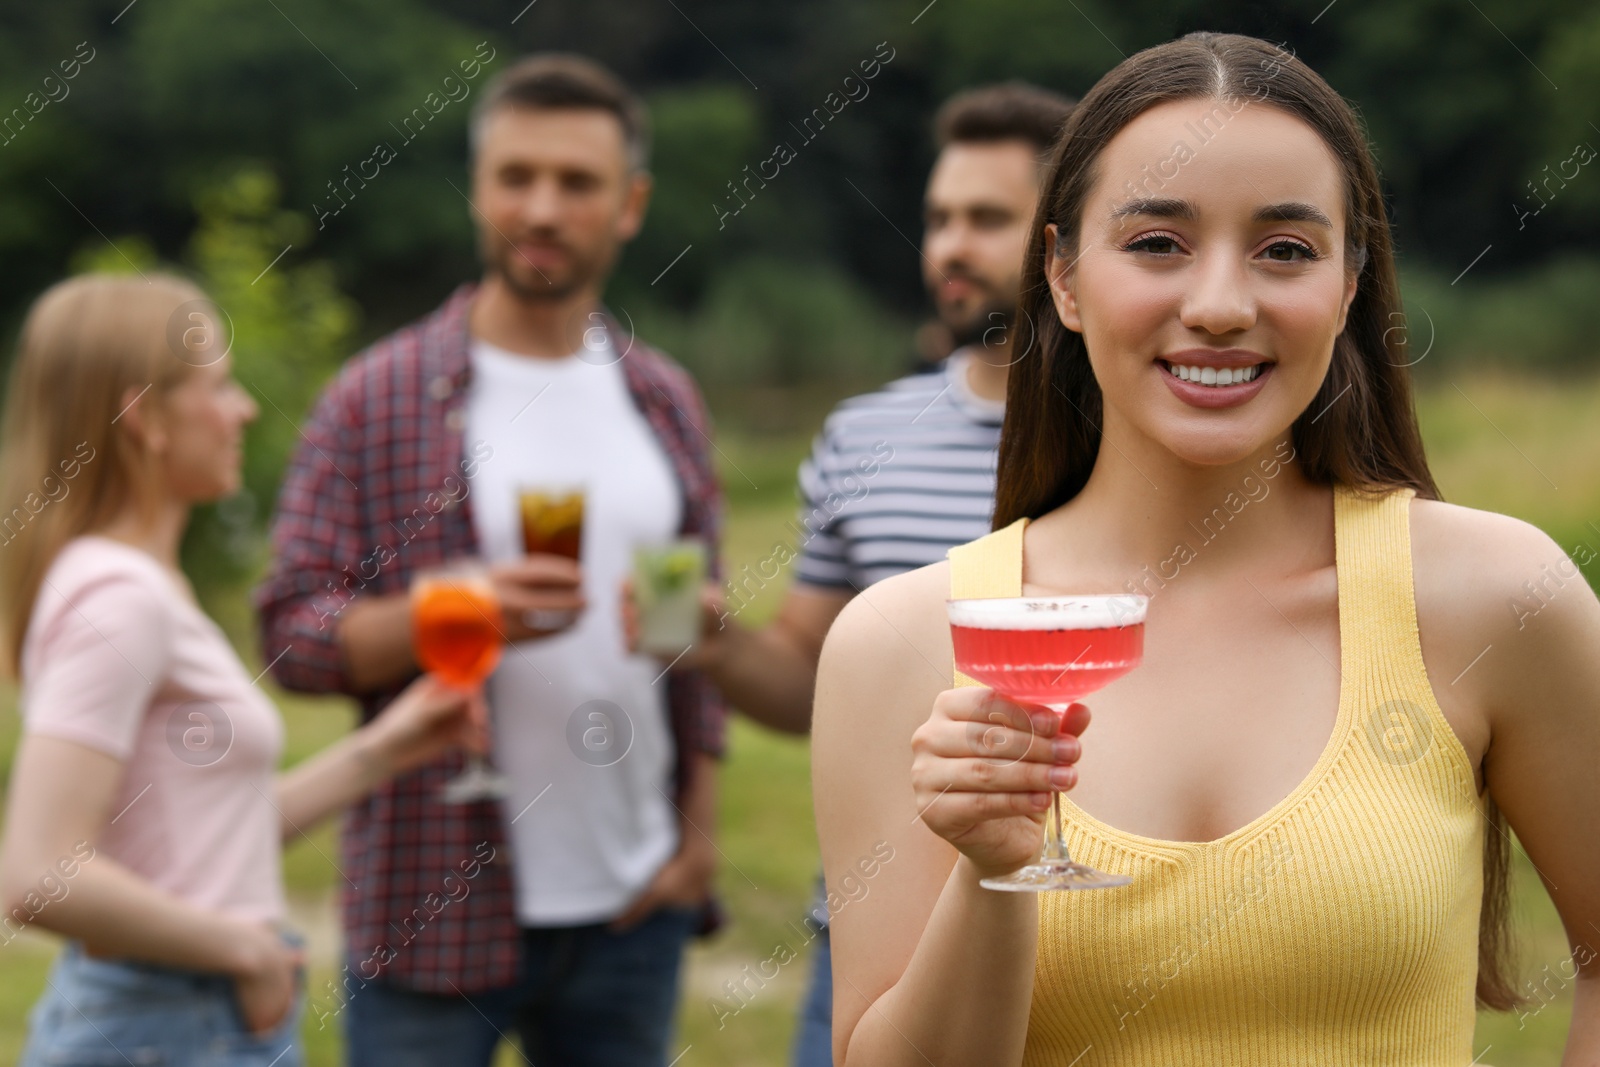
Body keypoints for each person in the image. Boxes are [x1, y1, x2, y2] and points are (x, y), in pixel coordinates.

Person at [814, 31, 1600, 1066]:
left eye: (1285, 248)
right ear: (1060, 277)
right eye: (1155, 243)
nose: (1222, 305)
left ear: (1352, 282)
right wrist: (992, 869)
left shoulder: (1497, 596)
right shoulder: (902, 643)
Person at [255, 53, 725, 1067]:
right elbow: (289, 631)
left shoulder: (665, 400)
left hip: (633, 902)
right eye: (516, 177)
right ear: (477, 189)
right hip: (431, 900)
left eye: (577, 181)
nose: (542, 208)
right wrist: (447, 609)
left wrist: (697, 838)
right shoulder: (372, 396)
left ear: (631, 203)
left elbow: (686, 645)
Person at [631, 83, 1073, 1065]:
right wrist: (714, 643)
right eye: (939, 219)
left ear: (1065, 244)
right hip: (869, 921)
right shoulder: (862, 433)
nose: (949, 247)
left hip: (1078, 907)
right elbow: (806, 687)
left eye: (985, 219)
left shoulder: (1140, 438)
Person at [0, 274, 477, 1067]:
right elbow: (37, 874)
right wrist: (244, 950)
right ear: (145, 417)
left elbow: (209, 838)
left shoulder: (140, 586)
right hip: (170, 1023)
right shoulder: (119, 600)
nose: (245, 410)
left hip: (178, 1018)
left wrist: (388, 748)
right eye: (219, 387)